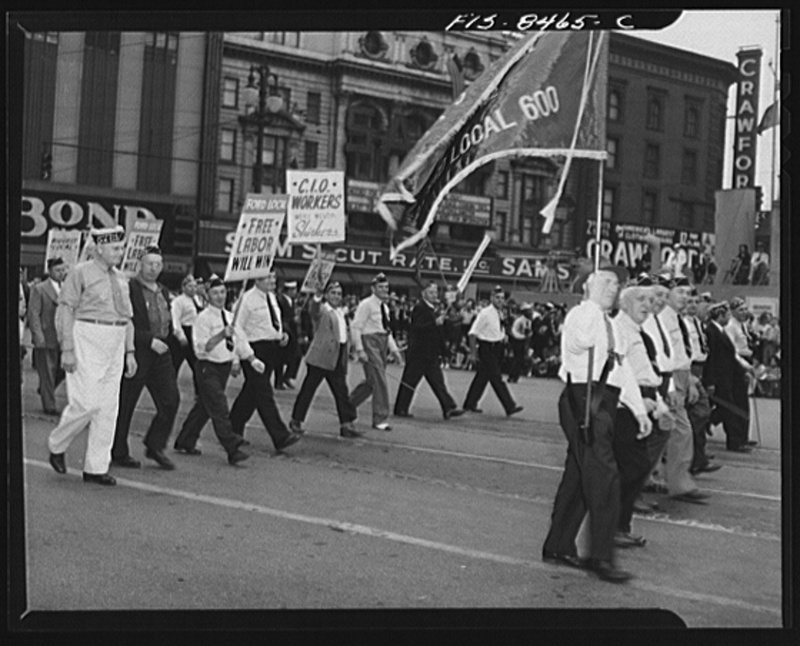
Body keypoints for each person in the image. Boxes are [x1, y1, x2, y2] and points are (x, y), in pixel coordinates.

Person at [542, 264, 651, 583]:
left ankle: (558, 545)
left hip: (603, 400)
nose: (612, 288)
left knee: (579, 476)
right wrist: (592, 307)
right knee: (604, 477)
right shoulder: (581, 314)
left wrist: (639, 410)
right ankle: (601, 558)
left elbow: (622, 370)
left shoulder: (611, 325)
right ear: (588, 285)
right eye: (605, 282)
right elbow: (578, 342)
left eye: (616, 284)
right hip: (583, 399)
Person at [47, 226, 137, 486]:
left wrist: (129, 351)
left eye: (121, 248)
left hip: (116, 339)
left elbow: (127, 317)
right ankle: (56, 444)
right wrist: (67, 348)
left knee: (108, 408)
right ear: (99, 249)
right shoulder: (80, 272)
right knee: (86, 402)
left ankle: (96, 467)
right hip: (88, 334)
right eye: (115, 249)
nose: (120, 253)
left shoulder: (121, 277)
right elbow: (65, 310)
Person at [172, 277, 261, 465]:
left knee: (205, 407)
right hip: (207, 368)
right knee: (219, 405)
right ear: (207, 295)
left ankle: (185, 440)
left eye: (222, 292)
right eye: (215, 293)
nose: (220, 296)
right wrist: (221, 335)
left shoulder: (230, 317)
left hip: (224, 368)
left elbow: (240, 343)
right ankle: (232, 447)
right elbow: (201, 349)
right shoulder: (202, 319)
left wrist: (252, 359)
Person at [612, 277, 671, 548]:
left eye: (651, 300)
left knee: (636, 468)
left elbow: (650, 373)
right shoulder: (618, 330)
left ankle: (621, 525)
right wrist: (638, 404)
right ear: (624, 303)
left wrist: (659, 403)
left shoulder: (640, 333)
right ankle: (614, 527)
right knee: (631, 468)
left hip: (645, 401)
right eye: (641, 299)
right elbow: (619, 373)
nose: (648, 305)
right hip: (627, 406)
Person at [110, 246, 180, 470]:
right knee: (127, 403)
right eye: (149, 263)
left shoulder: (163, 290)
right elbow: (123, 322)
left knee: (171, 400)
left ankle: (155, 445)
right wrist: (148, 340)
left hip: (161, 354)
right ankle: (118, 451)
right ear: (140, 264)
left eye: (158, 264)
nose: (154, 268)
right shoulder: (129, 288)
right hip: (138, 351)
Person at [646, 274, 710, 503]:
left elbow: (679, 353)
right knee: (678, 431)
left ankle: (650, 477)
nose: (685, 297)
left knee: (664, 432)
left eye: (688, 293)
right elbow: (661, 355)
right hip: (668, 378)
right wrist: (673, 383)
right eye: (680, 292)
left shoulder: (677, 318)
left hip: (681, 375)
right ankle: (678, 483)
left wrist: (690, 378)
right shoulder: (660, 317)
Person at [229, 271, 302, 452]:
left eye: (274, 278)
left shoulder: (271, 297)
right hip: (254, 351)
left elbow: (272, 322)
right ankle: (280, 436)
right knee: (264, 393)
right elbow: (236, 330)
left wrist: (281, 334)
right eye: (268, 278)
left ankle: (232, 428)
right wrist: (242, 357)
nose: (272, 281)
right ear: (257, 279)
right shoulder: (245, 300)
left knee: (251, 394)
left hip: (271, 349)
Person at [289, 282, 361, 438]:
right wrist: (317, 296)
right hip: (321, 356)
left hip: (337, 355)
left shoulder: (340, 313)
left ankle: (346, 424)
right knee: (309, 390)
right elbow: (313, 310)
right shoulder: (323, 310)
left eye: (339, 293)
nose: (336, 296)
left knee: (341, 391)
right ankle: (296, 419)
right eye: (333, 293)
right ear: (327, 295)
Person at [393, 281, 464, 420]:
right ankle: (401, 408)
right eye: (431, 292)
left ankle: (448, 407)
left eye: (435, 292)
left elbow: (439, 331)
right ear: (423, 293)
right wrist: (434, 323)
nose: (434, 295)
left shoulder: (433, 308)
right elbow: (417, 327)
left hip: (429, 353)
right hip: (419, 352)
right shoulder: (420, 307)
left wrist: (449, 322)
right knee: (410, 381)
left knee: (438, 382)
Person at [350, 273, 404, 431]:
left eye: (386, 287)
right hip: (370, 341)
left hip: (382, 341)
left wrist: (394, 349)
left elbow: (387, 330)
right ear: (373, 288)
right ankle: (380, 417)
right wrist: (359, 349)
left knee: (372, 381)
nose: (384, 290)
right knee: (379, 380)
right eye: (380, 287)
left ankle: (348, 405)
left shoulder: (384, 307)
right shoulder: (366, 304)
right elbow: (356, 326)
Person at [462, 286, 523, 416]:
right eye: (497, 298)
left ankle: (470, 403)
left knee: (482, 377)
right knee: (496, 378)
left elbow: (500, 328)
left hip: (498, 347)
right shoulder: (485, 313)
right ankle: (509, 405)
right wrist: (473, 353)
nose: (500, 300)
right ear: (491, 298)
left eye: (502, 298)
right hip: (487, 347)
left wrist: (503, 337)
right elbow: (472, 333)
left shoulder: (501, 312)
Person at [704, 301, 753, 452]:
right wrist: (711, 381)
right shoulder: (712, 332)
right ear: (719, 315)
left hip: (729, 374)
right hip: (721, 377)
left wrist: (742, 370)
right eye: (727, 315)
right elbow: (711, 359)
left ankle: (710, 422)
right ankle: (734, 442)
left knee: (728, 408)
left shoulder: (721, 331)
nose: (729, 318)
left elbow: (729, 356)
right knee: (730, 408)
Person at [683, 289, 721, 475]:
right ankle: (694, 457)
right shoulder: (682, 322)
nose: (692, 305)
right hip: (689, 369)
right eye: (689, 301)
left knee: (699, 415)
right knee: (698, 413)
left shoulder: (696, 323)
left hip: (700, 368)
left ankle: (698, 456)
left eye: (695, 302)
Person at [28, 257, 69, 414]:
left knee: (63, 370)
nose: (61, 273)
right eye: (58, 270)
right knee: (47, 371)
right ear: (50, 271)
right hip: (46, 335)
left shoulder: (67, 288)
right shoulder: (40, 289)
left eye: (63, 270)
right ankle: (49, 405)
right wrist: (38, 337)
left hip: (64, 338)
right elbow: (34, 314)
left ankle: (45, 389)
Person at [169, 273, 200, 383]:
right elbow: (175, 319)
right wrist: (180, 336)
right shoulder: (178, 301)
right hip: (183, 332)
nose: (193, 289)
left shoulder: (196, 300)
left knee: (197, 365)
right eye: (190, 286)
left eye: (195, 286)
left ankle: (199, 393)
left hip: (194, 333)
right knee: (175, 364)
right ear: (183, 287)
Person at [274, 280, 300, 390]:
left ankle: (288, 376)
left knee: (296, 355)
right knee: (279, 358)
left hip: (292, 332)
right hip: (284, 331)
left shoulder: (292, 301)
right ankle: (278, 381)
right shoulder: (280, 300)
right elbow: (279, 317)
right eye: (294, 289)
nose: (295, 291)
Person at [507, 303, 533, 383]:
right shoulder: (519, 320)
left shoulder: (528, 321)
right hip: (517, 341)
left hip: (524, 341)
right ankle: (512, 375)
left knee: (521, 359)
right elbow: (514, 331)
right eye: (528, 311)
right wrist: (522, 337)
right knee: (518, 359)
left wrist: (528, 335)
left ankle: (516, 376)